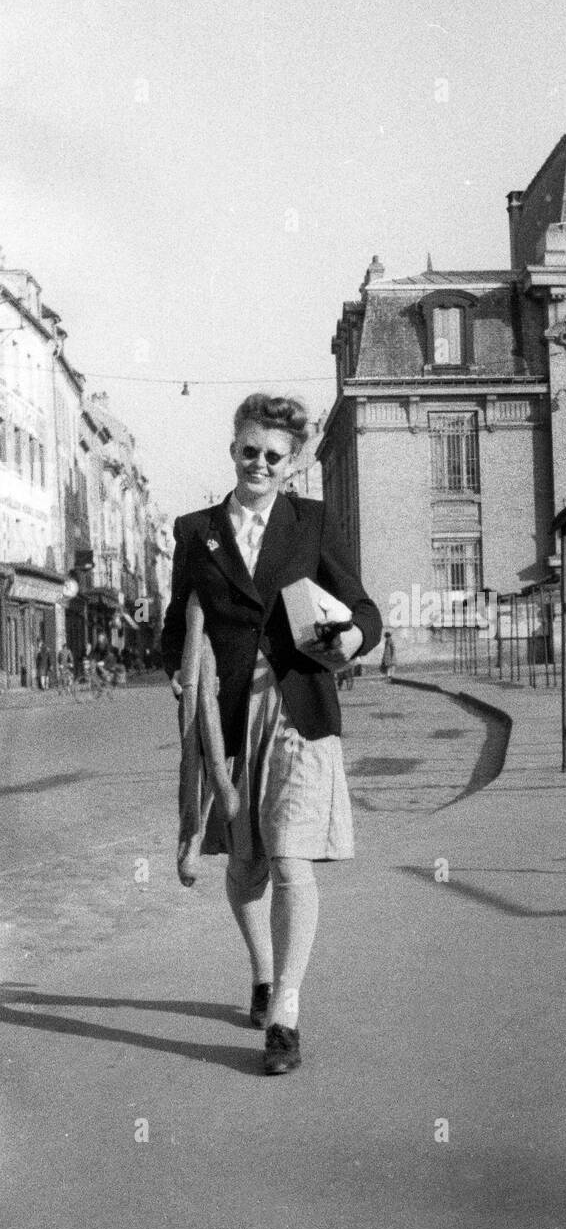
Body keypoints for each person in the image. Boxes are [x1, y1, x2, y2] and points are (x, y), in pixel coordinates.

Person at [161, 394, 381, 1077]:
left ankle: (285, 1009)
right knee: (245, 864)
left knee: (290, 861)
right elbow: (177, 624)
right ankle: (261, 973)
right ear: (234, 450)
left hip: (299, 710)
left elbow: (363, 609)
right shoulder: (196, 531)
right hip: (228, 719)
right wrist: (179, 670)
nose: (259, 463)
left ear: (292, 465)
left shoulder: (311, 524)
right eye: (249, 450)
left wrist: (353, 636)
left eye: (273, 456)